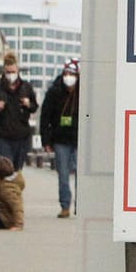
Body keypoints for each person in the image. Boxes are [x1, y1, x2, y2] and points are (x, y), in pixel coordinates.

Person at [0, 51, 37, 172]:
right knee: (6, 168)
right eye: (8, 72)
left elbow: (34, 107)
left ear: (18, 71)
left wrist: (28, 104)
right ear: (4, 72)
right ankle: (6, 189)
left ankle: (13, 190)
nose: (11, 75)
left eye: (13, 72)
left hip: (21, 135)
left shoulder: (26, 87)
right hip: (3, 135)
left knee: (17, 170)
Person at [40, 58, 80, 217]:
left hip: (78, 140)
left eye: (72, 74)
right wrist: (46, 141)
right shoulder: (54, 91)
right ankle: (65, 206)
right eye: (66, 73)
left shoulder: (83, 92)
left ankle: (81, 205)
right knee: (63, 174)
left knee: (80, 175)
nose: (68, 76)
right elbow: (45, 117)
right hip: (60, 139)